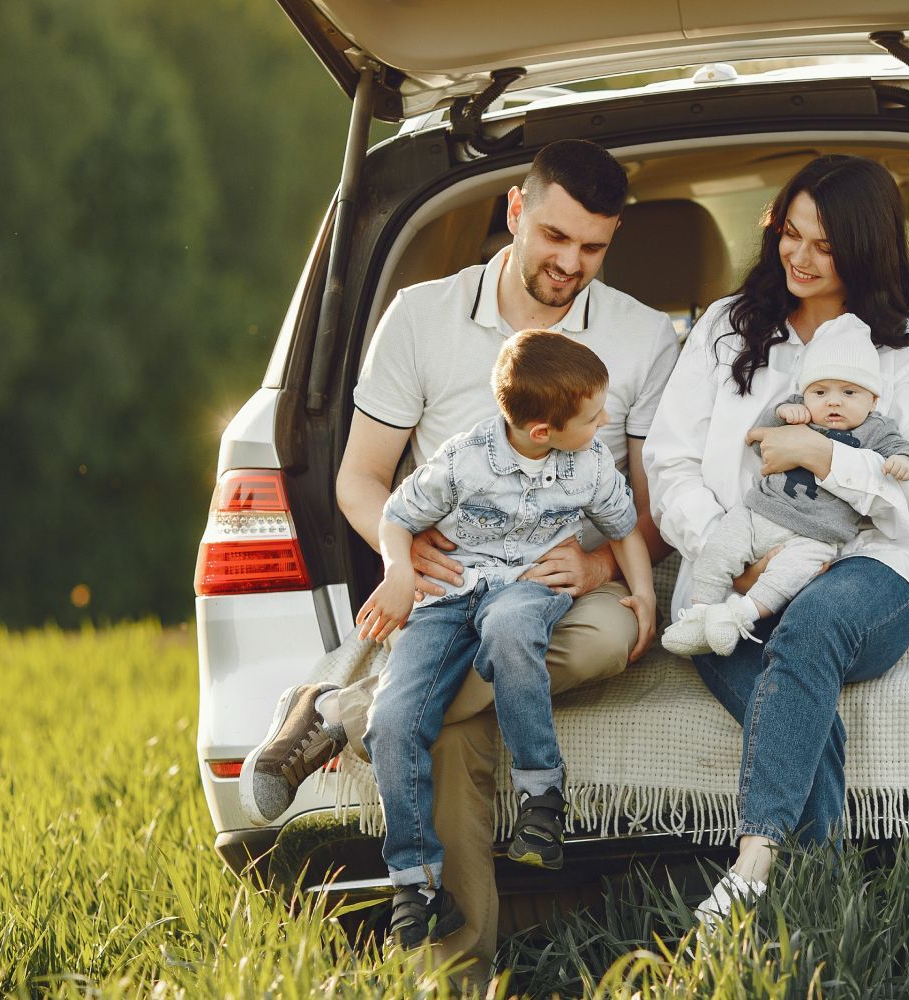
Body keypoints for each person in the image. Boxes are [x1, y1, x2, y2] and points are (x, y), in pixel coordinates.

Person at [237, 139, 677, 964]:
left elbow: (648, 510)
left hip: (563, 583)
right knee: (448, 733)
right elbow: (360, 480)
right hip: (452, 578)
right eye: (554, 236)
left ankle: (342, 712)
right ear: (515, 209)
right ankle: (455, 974)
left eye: (593, 248)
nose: (570, 264)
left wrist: (600, 567)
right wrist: (403, 561)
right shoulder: (420, 316)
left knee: (607, 638)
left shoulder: (645, 338)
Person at [643, 154, 909, 918]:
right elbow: (668, 461)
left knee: (811, 625)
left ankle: (753, 859)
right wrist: (734, 549)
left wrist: (824, 457)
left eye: (823, 243)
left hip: (869, 568)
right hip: (729, 573)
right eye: (790, 234)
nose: (799, 257)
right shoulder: (726, 328)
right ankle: (817, 916)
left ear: (865, 248)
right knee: (787, 698)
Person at [352, 330, 657, 945]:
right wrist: (399, 571)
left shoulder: (590, 464)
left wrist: (644, 594)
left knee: (511, 629)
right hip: (450, 592)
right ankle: (415, 883)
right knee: (392, 720)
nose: (604, 423)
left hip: (527, 582)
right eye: (594, 416)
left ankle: (540, 799)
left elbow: (623, 527)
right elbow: (397, 516)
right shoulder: (466, 458)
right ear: (541, 431)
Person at [660, 314, 909, 657]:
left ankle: (739, 615)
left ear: (872, 400)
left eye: (849, 392)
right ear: (805, 392)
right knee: (720, 547)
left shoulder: (875, 430)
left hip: (816, 535)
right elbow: (758, 442)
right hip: (760, 512)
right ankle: (700, 612)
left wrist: (903, 463)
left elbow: (906, 452)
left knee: (789, 576)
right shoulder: (796, 411)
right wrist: (783, 416)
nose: (833, 401)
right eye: (820, 391)